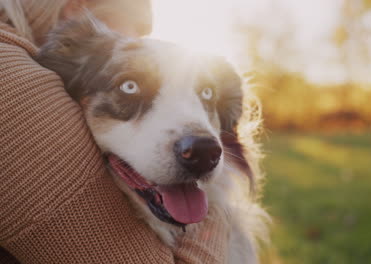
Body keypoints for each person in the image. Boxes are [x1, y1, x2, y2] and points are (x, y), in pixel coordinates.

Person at [0, 0, 228, 263]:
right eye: (130, 85)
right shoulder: (11, 78)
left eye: (205, 93)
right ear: (77, 9)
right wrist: (223, 214)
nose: (141, 42)